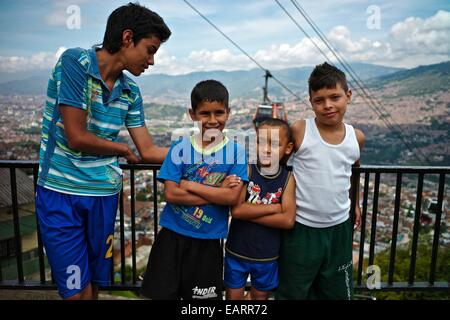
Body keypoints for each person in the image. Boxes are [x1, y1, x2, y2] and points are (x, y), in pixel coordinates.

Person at [35, 3, 171, 300]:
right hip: (61, 192)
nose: (151, 61)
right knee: (75, 290)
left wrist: (199, 155)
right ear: (126, 38)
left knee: (94, 286)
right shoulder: (75, 63)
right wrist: (122, 148)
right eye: (149, 50)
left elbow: (147, 149)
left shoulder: (130, 91)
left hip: (103, 196)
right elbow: (76, 136)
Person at [140, 80, 248, 300]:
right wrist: (216, 191)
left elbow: (231, 196)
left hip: (208, 241)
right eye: (204, 113)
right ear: (192, 114)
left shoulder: (236, 152)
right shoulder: (179, 148)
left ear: (228, 113)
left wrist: (189, 185)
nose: (212, 120)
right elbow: (171, 194)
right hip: (171, 236)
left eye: (219, 113)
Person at [276, 62, 365, 300]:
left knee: (336, 290)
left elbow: (354, 171)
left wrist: (354, 202)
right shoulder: (300, 130)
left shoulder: (356, 138)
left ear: (348, 96)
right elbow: (278, 168)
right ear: (310, 101)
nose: (327, 105)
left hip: (339, 228)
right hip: (301, 227)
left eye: (334, 97)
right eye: (319, 100)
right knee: (294, 290)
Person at [224, 118, 296, 300]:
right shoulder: (247, 170)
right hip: (237, 250)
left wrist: (249, 211)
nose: (267, 149)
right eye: (262, 142)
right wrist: (274, 208)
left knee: (259, 297)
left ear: (288, 148)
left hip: (267, 255)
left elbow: (287, 221)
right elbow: (237, 211)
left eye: (275, 144)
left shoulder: (288, 178)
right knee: (233, 297)